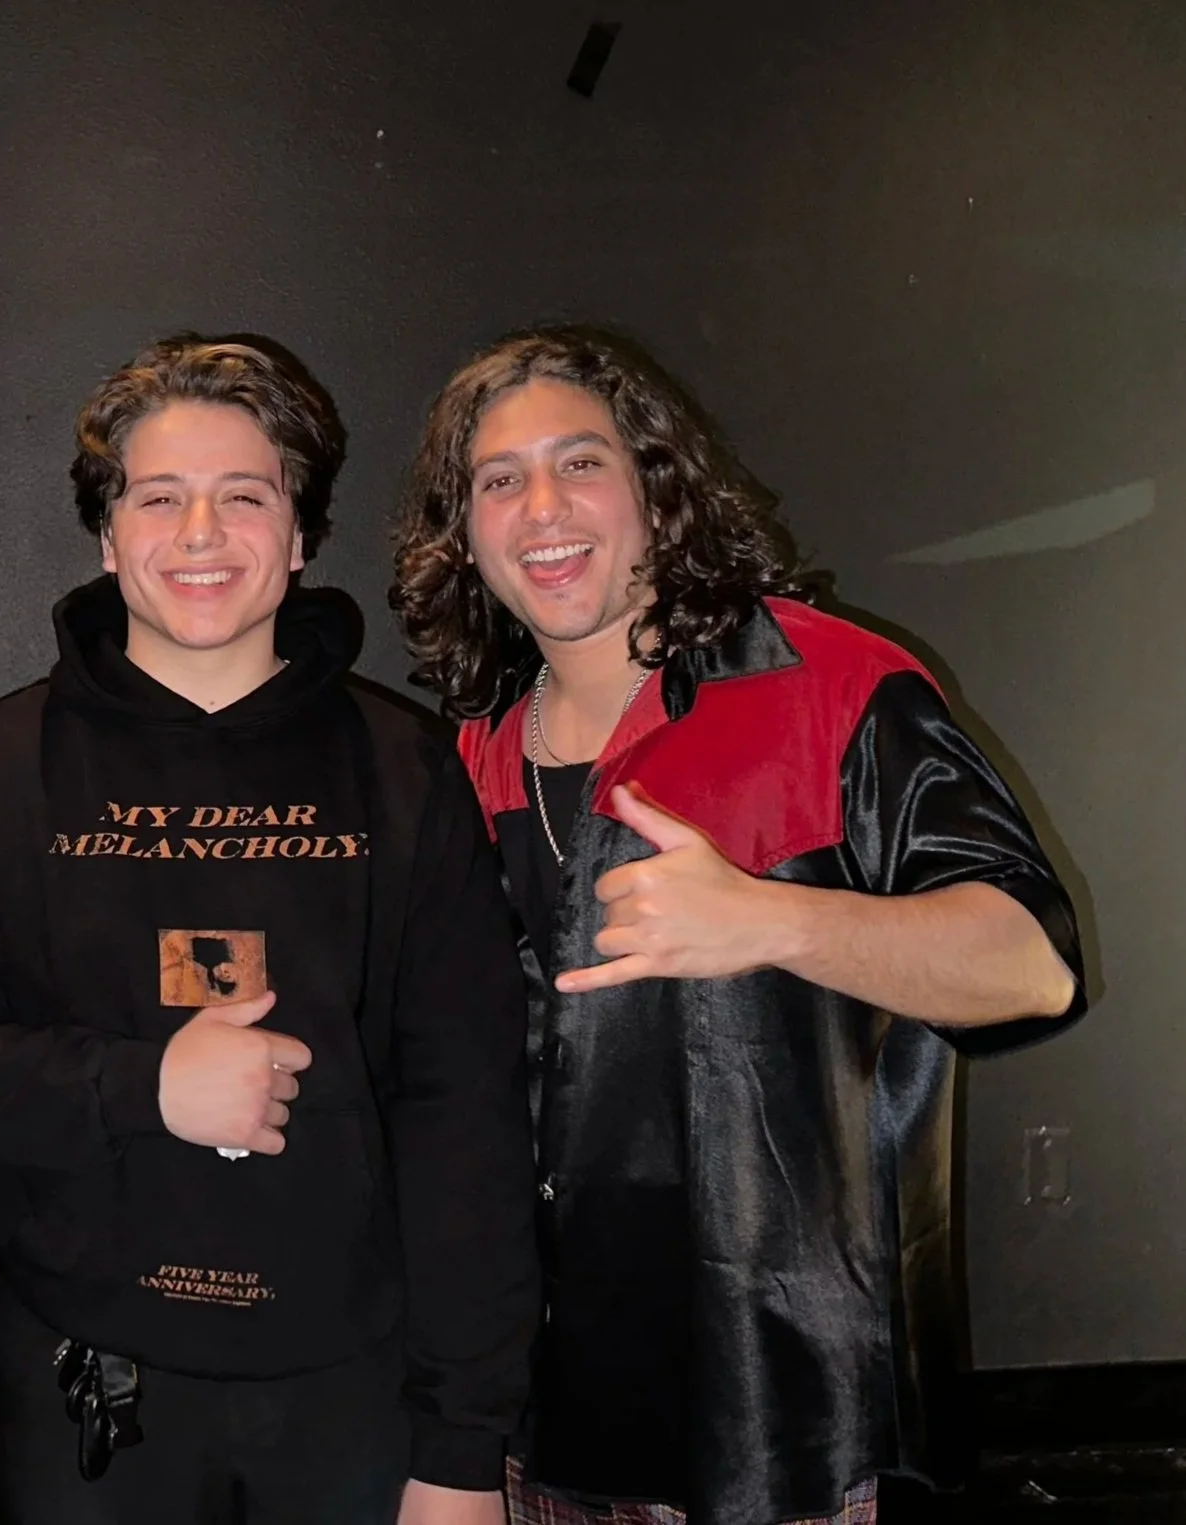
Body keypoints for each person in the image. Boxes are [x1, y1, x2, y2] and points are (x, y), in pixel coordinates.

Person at [391, 325, 1087, 1525]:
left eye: (582, 462)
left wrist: (771, 920)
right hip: (544, 1413)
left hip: (787, 1421)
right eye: (497, 481)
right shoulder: (474, 757)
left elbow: (1030, 966)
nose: (541, 506)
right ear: (467, 536)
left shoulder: (827, 684)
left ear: (657, 489)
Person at [0, 334, 538, 1525]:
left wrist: (464, 1442)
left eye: (245, 497)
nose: (199, 534)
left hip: (357, 1399)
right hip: (92, 1397)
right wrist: (143, 1086)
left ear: (298, 534)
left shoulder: (404, 771)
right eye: (160, 498)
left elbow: (469, 1119)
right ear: (108, 533)